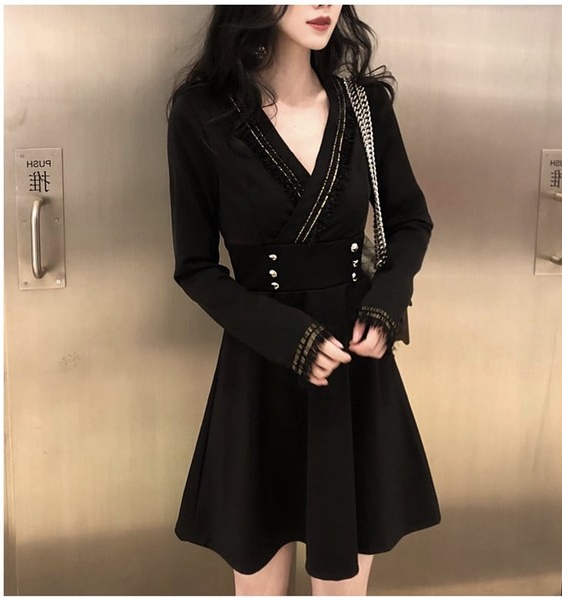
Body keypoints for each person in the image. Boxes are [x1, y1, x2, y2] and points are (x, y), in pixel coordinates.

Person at [166, 5, 441, 596]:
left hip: (352, 368)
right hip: (260, 366)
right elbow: (195, 268)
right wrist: (288, 337)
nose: (324, 3)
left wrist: (387, 304)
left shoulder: (365, 106)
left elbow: (410, 221)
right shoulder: (204, 112)